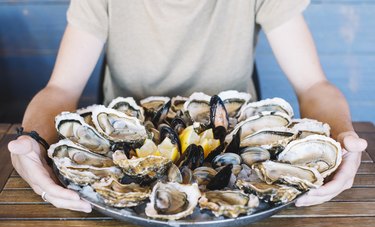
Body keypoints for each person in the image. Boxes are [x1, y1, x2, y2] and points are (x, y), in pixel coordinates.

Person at [8, 0, 367, 213]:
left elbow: (313, 85)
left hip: (237, 167)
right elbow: (60, 89)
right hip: (125, 169)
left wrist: (342, 137)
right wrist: (33, 144)